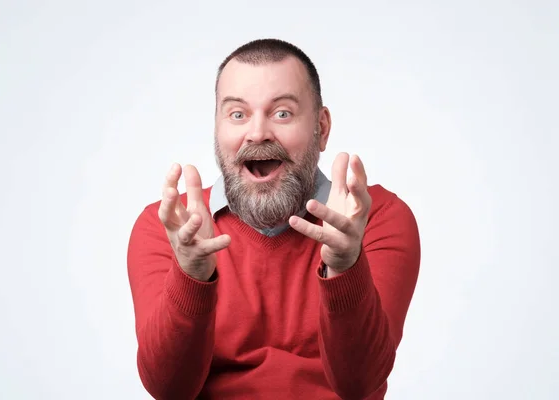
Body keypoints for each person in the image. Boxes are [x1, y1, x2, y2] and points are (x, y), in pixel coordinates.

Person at [127, 38, 421, 400]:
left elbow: (359, 385)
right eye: (238, 114)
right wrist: (191, 275)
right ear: (217, 130)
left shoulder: (377, 217)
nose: (257, 133)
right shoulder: (167, 227)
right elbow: (169, 389)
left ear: (321, 128)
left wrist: (345, 266)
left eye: (282, 113)